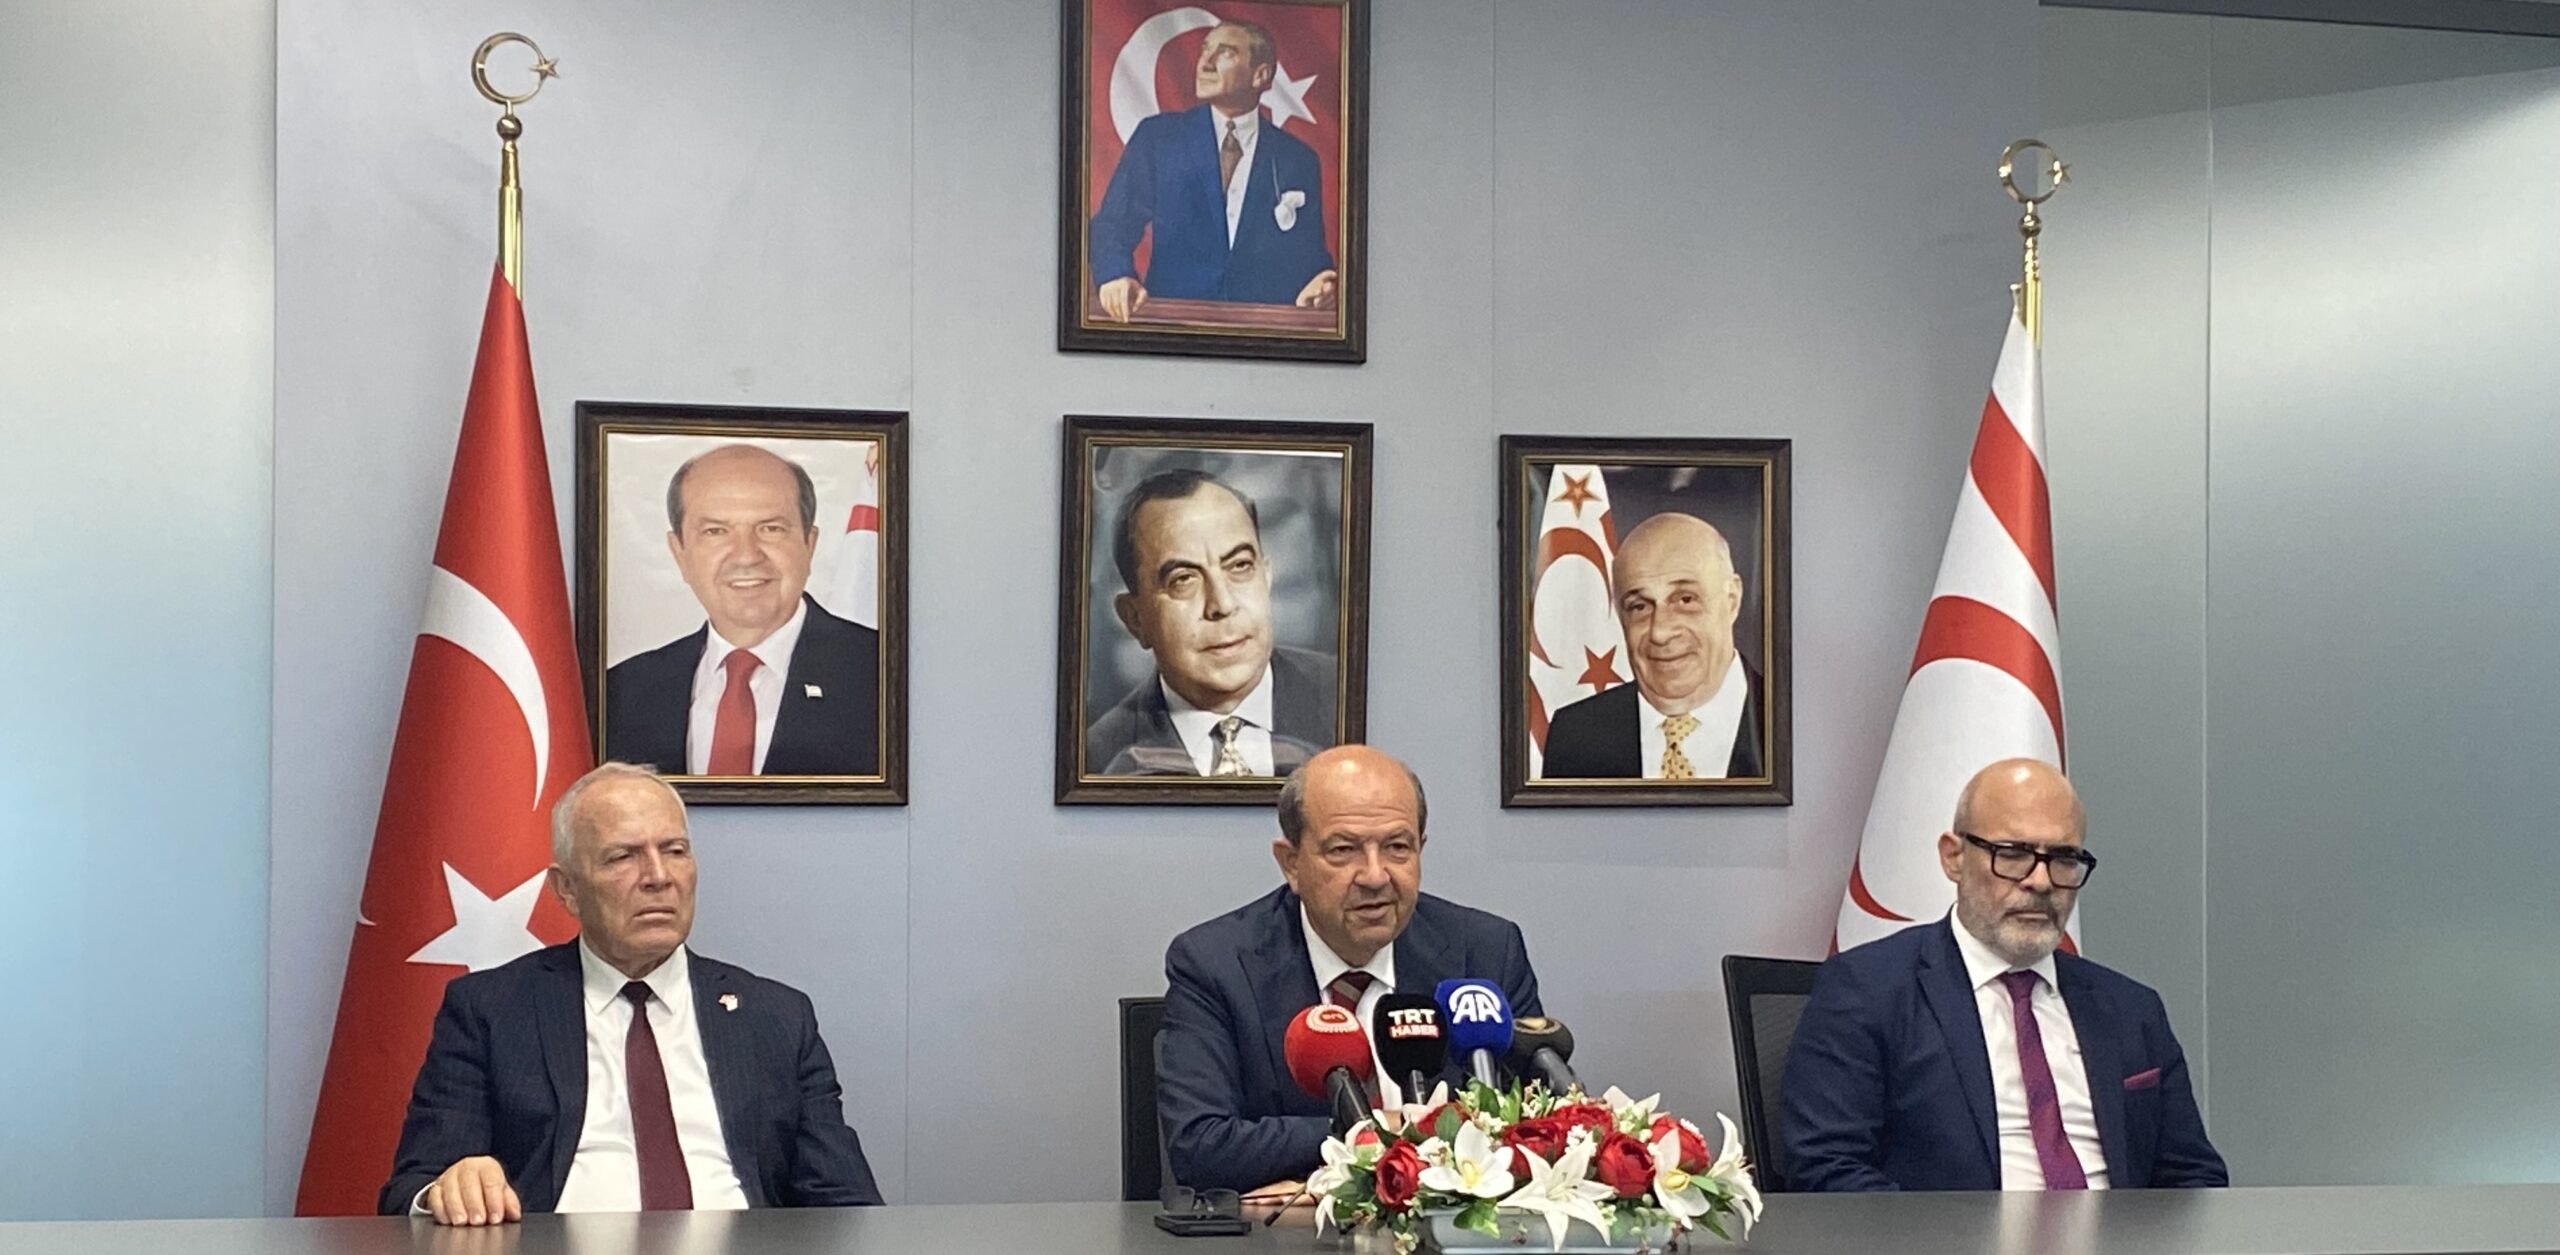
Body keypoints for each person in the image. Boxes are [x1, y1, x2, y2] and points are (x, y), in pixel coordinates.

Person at [380, 763, 884, 1222]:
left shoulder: (776, 1017)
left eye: (675, 851)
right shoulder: (490, 1010)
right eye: (623, 857)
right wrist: (450, 1188)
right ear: (567, 889)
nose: (659, 878)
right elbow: (409, 1190)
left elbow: (845, 1204)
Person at [1781, 759, 2227, 1192]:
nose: (2041, 881)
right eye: (2013, 854)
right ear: (1954, 857)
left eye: (2063, 858)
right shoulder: (1867, 990)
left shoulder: (2131, 1008)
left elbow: (2194, 1177)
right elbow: (1827, 1168)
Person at [1157, 746, 1543, 1194]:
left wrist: (1348, 1153)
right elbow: (1201, 1145)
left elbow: (1538, 1127)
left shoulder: (1487, 953)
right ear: (1291, 863)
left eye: (1397, 847)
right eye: (1344, 850)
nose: (1375, 876)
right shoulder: (1215, 964)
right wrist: (1379, 1139)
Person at [606, 444, 879, 776]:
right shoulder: (620, 693)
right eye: (716, 531)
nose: (746, 555)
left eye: (771, 528)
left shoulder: (883, 675)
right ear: (680, 553)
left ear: (809, 544)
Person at [1085, 468, 1336, 777]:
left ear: (1266, 577)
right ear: (1135, 619)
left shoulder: (1347, 702)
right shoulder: (1099, 758)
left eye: (1240, 566)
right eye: (1183, 580)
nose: (1222, 604)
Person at [1088, 20, 1338, 320]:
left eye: (1226, 52)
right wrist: (1115, 275)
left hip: (1262, 332)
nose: (1205, 63)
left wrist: (1323, 283)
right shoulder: (1159, 139)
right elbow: (1112, 225)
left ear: (1261, 75)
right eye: (1205, 50)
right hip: (1172, 327)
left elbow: (1311, 258)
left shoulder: (1297, 158)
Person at [1540, 512, 1764, 780]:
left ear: (1732, 600)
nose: (1660, 631)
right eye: (1639, 606)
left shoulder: (1794, 722)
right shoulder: (1575, 737)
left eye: (1685, 600)